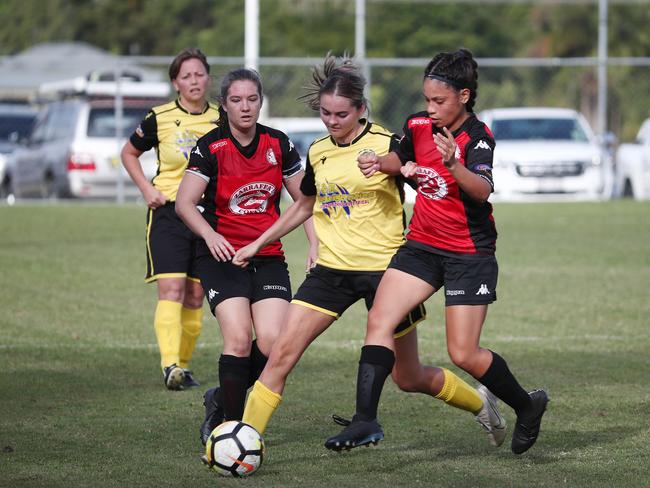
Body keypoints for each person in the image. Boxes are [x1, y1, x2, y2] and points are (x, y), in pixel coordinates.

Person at [231, 54, 505, 450]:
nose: (332, 121)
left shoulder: (389, 143)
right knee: (280, 355)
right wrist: (258, 244)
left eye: (341, 113)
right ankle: (245, 439)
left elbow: (433, 187)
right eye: (325, 113)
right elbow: (305, 204)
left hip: (389, 273)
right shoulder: (319, 151)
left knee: (407, 378)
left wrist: (406, 169)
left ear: (361, 110)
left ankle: (481, 403)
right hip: (331, 272)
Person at [325, 48, 549, 455]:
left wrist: (454, 164)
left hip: (469, 253)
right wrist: (383, 163)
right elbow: (402, 157)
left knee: (462, 352)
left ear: (464, 96)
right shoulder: (417, 124)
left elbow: (481, 191)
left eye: (439, 101)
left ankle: (526, 405)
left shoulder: (477, 137)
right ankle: (365, 420)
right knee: (380, 318)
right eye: (427, 99)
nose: (430, 108)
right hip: (422, 246)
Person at [174, 68, 318, 443]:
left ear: (260, 101)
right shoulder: (211, 146)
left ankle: (220, 399)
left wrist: (315, 244)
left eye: (252, 99)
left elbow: (304, 200)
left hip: (268, 256)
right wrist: (210, 236)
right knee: (237, 339)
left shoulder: (277, 144)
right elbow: (184, 203)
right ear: (224, 105)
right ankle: (231, 429)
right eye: (236, 100)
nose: (245, 107)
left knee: (272, 343)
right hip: (221, 257)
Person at [121, 48, 219, 390]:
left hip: (207, 218)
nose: (194, 81)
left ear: (208, 77)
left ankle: (184, 368)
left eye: (199, 74)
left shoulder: (222, 119)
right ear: (176, 83)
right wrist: (147, 189)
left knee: (195, 296)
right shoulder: (159, 117)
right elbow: (129, 152)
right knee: (172, 288)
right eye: (186, 76)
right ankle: (169, 365)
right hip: (169, 214)